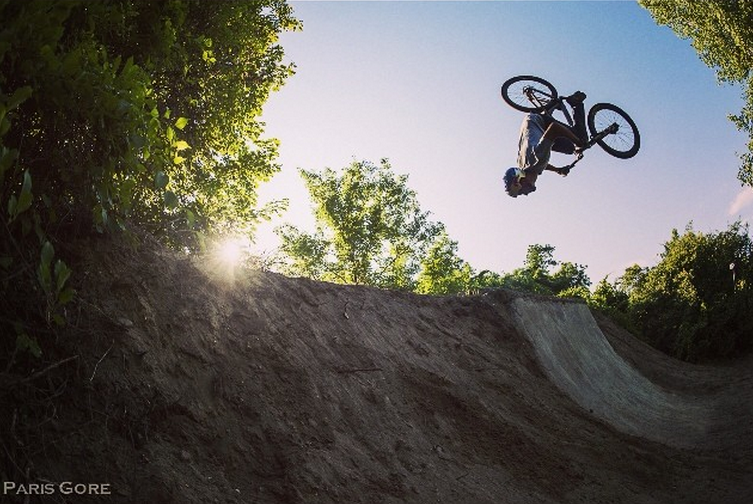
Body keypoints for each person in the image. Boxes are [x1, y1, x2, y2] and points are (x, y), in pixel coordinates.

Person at [504, 91, 589, 198]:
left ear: (522, 181)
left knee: (580, 138)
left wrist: (579, 142)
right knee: (569, 148)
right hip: (531, 124)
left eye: (522, 191)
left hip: (539, 122)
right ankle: (553, 105)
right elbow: (542, 165)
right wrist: (557, 170)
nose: (525, 194)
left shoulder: (537, 159)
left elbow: (554, 128)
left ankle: (575, 103)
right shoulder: (525, 166)